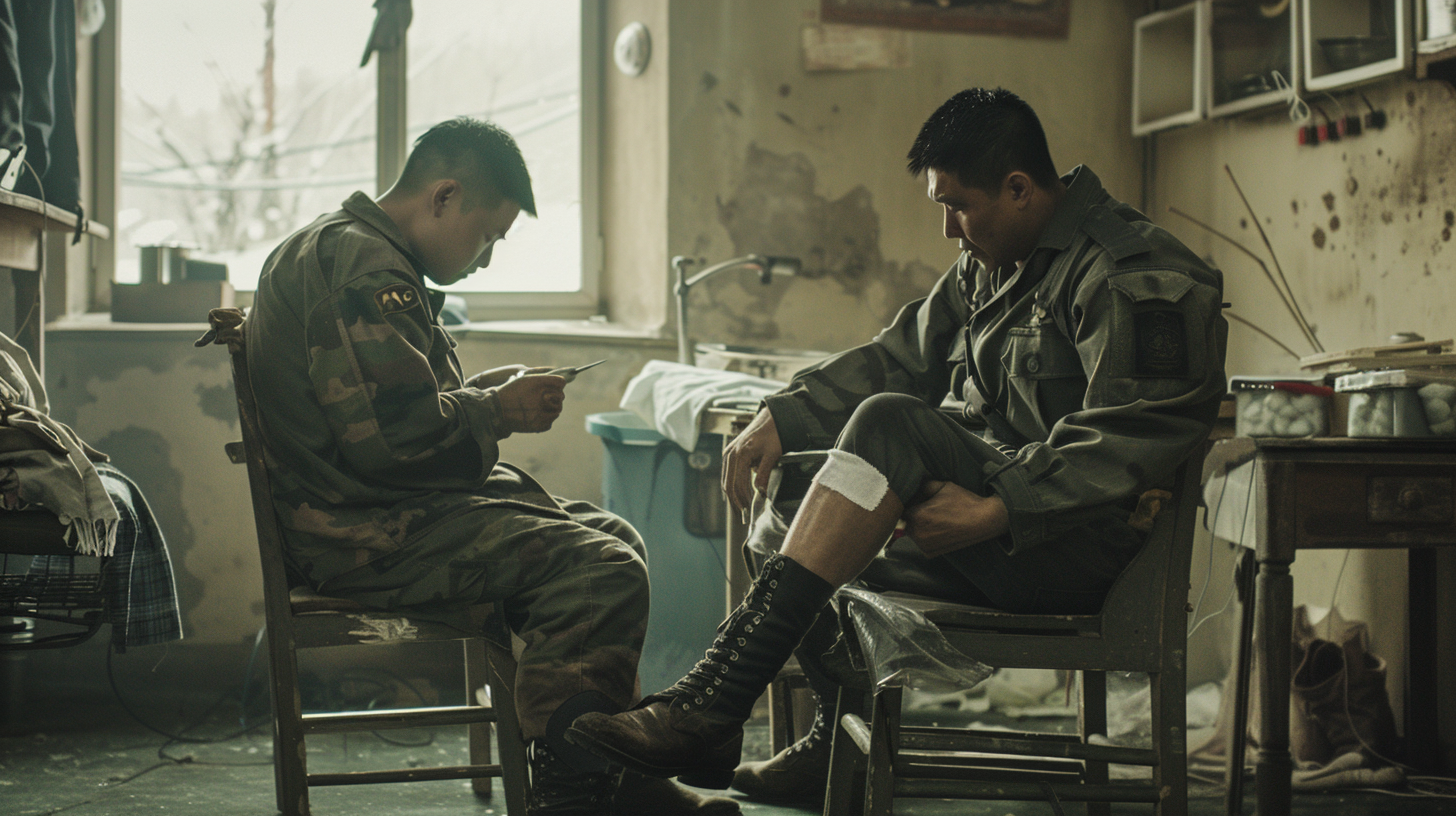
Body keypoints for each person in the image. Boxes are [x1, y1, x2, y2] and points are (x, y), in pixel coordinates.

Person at [564, 88, 1229, 803]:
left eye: (958, 206)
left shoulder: (1131, 272)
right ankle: (825, 743)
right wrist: (786, 414)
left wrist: (1000, 506)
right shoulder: (995, 259)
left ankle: (710, 705)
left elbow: (1135, 428)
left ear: (1019, 188)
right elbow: (903, 355)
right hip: (995, 536)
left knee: (889, 423)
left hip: (1078, 549)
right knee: (788, 500)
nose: (948, 229)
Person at [244, 117, 738, 816]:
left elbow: (384, 415)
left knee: (613, 536)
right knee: (600, 568)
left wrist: (480, 396)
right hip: (358, 533)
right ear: (444, 196)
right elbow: (391, 442)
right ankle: (573, 796)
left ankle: (614, 771)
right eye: (488, 235)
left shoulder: (348, 250)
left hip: (375, 508)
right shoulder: (365, 267)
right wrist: (496, 411)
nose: (486, 259)